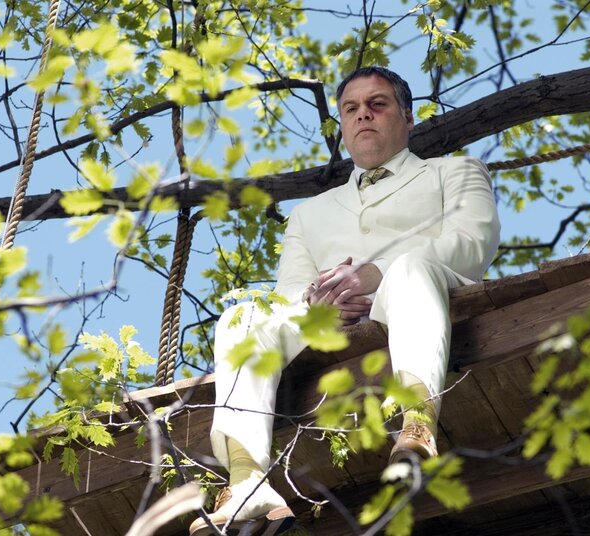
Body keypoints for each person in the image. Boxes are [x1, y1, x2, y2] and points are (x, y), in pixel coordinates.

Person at [189, 66, 500, 536]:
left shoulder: (454, 172)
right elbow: (290, 292)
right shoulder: (307, 214)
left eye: (378, 104)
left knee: (409, 268)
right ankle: (247, 479)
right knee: (243, 315)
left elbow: (472, 242)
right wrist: (319, 306)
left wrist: (374, 273)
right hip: (331, 327)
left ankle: (417, 423)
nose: (363, 115)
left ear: (407, 117)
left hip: (422, 298)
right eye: (351, 108)